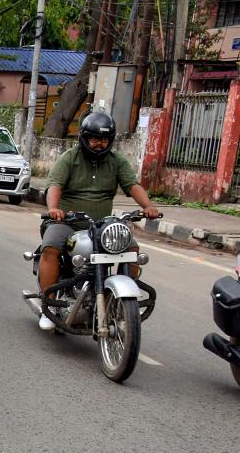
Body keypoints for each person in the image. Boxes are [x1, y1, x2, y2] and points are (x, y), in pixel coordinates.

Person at [38, 110, 160, 331]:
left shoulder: (117, 161)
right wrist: (54, 209)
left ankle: (123, 303)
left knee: (131, 249)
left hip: (102, 225)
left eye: (104, 139)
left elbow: (132, 185)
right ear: (84, 138)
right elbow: (54, 185)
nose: (99, 144)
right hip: (68, 222)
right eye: (94, 139)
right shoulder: (69, 158)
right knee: (50, 248)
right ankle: (50, 305)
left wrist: (148, 206)